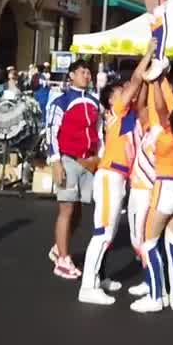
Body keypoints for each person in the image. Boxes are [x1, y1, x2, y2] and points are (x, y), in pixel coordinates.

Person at [78, 46, 153, 305]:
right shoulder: (117, 110)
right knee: (104, 233)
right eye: (120, 91)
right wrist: (149, 53)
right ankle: (88, 286)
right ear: (112, 99)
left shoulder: (126, 115)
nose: (125, 92)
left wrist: (151, 74)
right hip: (110, 176)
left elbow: (140, 91)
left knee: (106, 234)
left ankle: (97, 279)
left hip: (118, 179)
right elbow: (135, 81)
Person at [131, 77, 173, 313]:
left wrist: (155, 82)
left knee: (149, 243)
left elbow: (159, 108)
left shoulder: (163, 137)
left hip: (165, 190)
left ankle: (157, 296)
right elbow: (170, 107)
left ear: (172, 121)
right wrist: (162, 80)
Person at [46, 60, 100, 280]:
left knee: (78, 210)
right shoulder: (62, 100)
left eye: (89, 72)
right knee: (66, 209)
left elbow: (100, 131)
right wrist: (56, 161)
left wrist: (99, 157)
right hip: (68, 159)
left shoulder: (95, 102)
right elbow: (51, 130)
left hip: (88, 162)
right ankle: (62, 261)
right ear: (71, 75)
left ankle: (59, 247)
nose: (86, 76)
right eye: (82, 72)